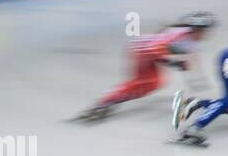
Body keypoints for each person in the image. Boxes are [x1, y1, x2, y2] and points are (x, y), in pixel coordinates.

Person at [77, 11, 215, 121]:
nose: (206, 33)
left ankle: (111, 99)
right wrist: (172, 62)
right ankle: (105, 101)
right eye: (205, 30)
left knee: (152, 84)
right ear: (196, 29)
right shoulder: (179, 33)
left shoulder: (194, 41)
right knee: (144, 82)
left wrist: (196, 77)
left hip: (148, 51)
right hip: (143, 49)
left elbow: (192, 58)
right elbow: (154, 48)